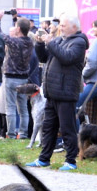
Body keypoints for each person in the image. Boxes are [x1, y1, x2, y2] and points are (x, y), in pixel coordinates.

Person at [26, 14, 88, 171]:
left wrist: (51, 43)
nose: (60, 27)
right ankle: (43, 159)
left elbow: (66, 57)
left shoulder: (79, 42)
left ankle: (71, 161)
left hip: (66, 92)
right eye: (60, 25)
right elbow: (45, 58)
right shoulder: (60, 40)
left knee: (68, 129)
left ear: (74, 27)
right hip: (52, 91)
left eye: (63, 25)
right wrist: (40, 45)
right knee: (48, 128)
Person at [2, 17, 33, 139]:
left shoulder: (15, 42)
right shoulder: (30, 42)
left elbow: (1, 34)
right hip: (24, 78)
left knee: (10, 107)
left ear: (18, 29)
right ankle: (23, 133)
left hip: (11, 77)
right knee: (23, 108)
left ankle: (11, 134)